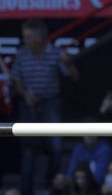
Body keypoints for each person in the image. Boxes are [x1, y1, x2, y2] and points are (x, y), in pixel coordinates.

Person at [11, 19, 79, 195]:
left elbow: (73, 76)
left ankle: (52, 187)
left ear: (39, 38)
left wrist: (69, 63)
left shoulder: (55, 53)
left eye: (28, 37)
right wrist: (25, 94)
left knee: (56, 147)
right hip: (29, 106)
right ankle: (26, 191)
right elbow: (16, 78)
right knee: (28, 151)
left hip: (50, 104)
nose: (25, 40)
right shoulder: (22, 54)